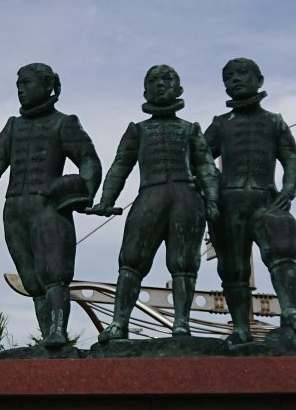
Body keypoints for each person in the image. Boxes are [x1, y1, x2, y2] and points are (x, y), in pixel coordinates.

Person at [0, 63, 101, 348]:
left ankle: (57, 332)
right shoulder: (13, 125)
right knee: (32, 279)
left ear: (47, 86)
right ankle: (48, 336)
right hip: (14, 208)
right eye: (18, 85)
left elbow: (88, 159)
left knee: (54, 274)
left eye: (26, 83)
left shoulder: (64, 122)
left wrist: (83, 191)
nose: (20, 90)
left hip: (48, 207)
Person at [89, 65, 220, 341]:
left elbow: (206, 167)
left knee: (184, 263)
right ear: (145, 89)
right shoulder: (137, 130)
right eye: (153, 80)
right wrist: (105, 200)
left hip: (186, 199)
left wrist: (213, 201)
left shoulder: (190, 129)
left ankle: (181, 323)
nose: (160, 84)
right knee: (131, 260)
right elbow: (120, 166)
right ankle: (119, 324)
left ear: (179, 89)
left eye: (167, 79)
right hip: (150, 195)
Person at [205, 57, 296, 344]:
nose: (235, 79)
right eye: (228, 76)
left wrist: (289, 190)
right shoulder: (221, 124)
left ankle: (289, 310)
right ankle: (241, 327)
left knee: (282, 251)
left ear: (259, 80)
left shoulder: (274, 121)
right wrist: (214, 183)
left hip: (267, 199)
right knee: (233, 266)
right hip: (229, 203)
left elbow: (292, 157)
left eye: (242, 74)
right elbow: (199, 157)